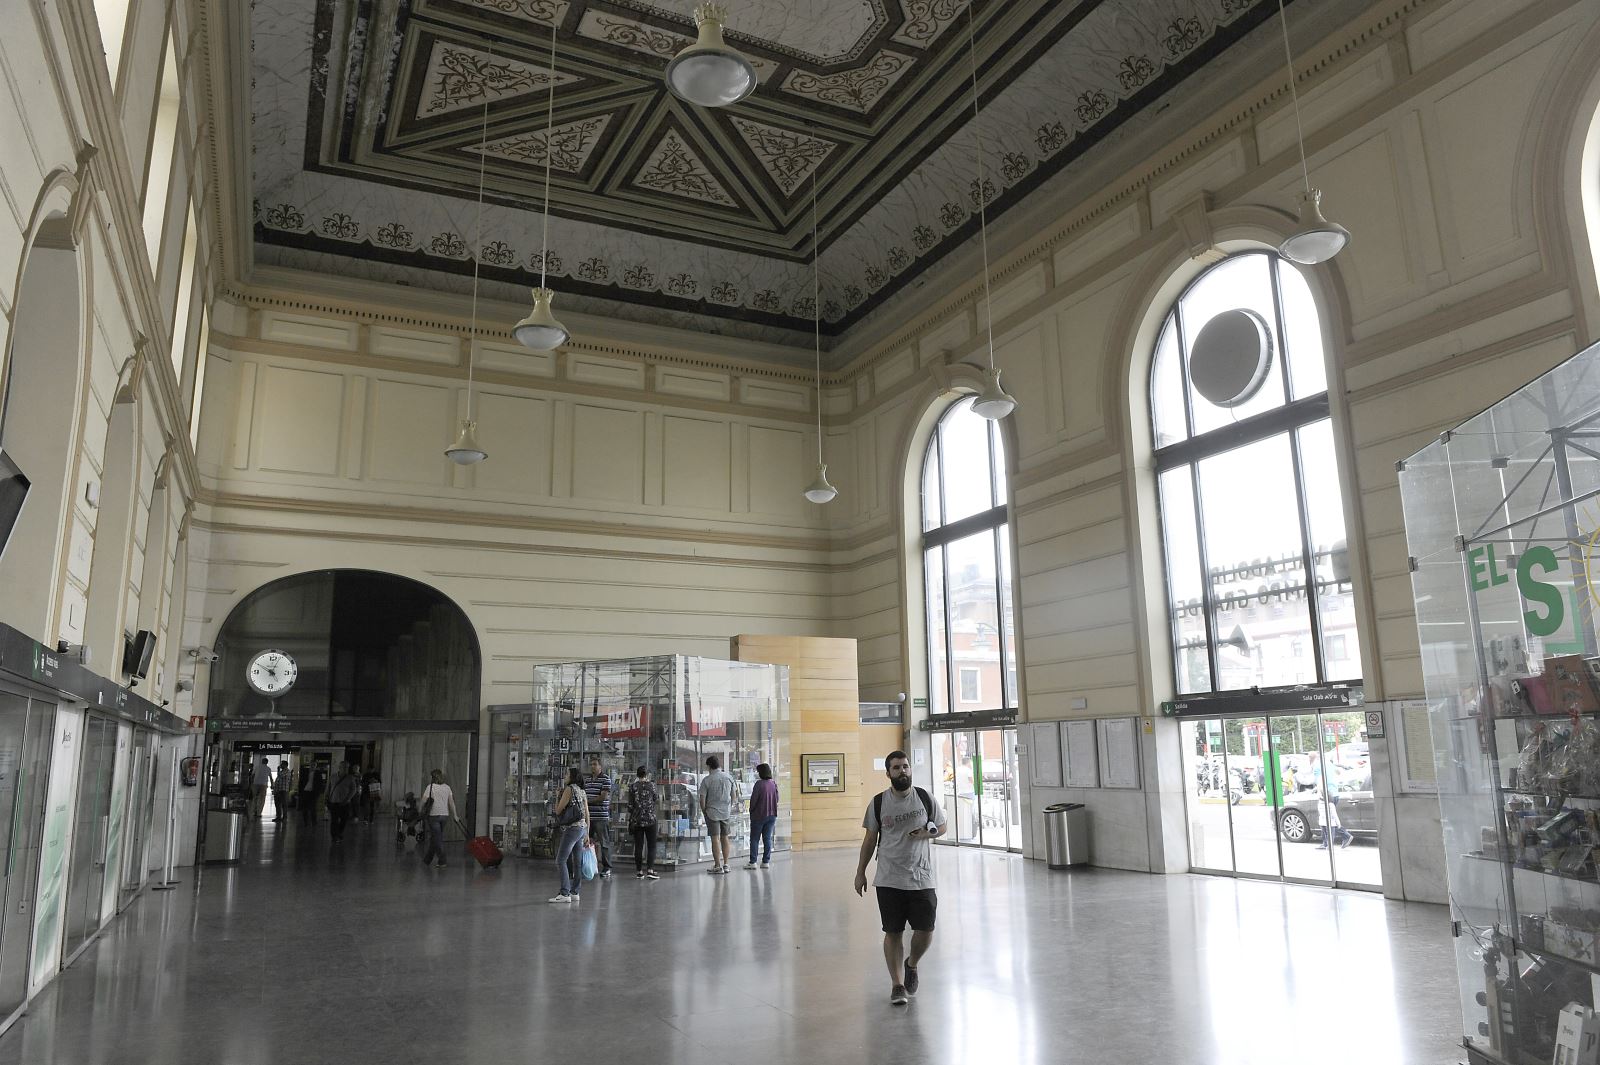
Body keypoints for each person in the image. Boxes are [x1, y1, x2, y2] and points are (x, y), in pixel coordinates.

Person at [854, 750, 947, 1006]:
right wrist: (860, 872)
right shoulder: (878, 803)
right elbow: (870, 840)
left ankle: (912, 964)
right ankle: (897, 985)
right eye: (896, 767)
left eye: (905, 766)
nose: (902, 771)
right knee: (893, 931)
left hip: (921, 876)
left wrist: (927, 834)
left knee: (926, 929)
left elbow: (942, 826)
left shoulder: (925, 797)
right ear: (888, 773)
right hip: (889, 878)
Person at [549, 767, 589, 904]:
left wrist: (557, 796)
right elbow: (587, 813)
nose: (565, 776)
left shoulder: (569, 789)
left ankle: (564, 892)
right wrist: (587, 832)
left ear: (572, 777)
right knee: (577, 862)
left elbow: (558, 810)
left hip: (572, 829)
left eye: (567, 774)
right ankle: (575, 892)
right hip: (582, 828)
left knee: (561, 860)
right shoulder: (582, 791)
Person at [698, 754, 738, 874]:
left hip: (712, 813)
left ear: (709, 766)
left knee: (715, 839)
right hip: (726, 812)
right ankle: (726, 864)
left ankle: (717, 865)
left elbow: (702, 799)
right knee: (725, 837)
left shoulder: (707, 780)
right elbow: (734, 796)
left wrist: (704, 811)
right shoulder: (729, 777)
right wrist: (729, 807)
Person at [582, 756, 615, 880]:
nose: (592, 766)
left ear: (600, 766)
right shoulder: (587, 780)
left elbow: (603, 797)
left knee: (604, 843)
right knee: (587, 841)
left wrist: (588, 802)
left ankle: (607, 867)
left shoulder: (605, 779)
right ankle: (588, 865)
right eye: (591, 764)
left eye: (595, 764)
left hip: (600, 816)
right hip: (588, 817)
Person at [418, 769, 458, 868]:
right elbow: (451, 802)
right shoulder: (447, 787)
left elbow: (423, 800)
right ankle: (427, 860)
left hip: (433, 815)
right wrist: (455, 815)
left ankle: (442, 860)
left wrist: (419, 810)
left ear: (433, 777)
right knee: (435, 837)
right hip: (444, 815)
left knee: (437, 838)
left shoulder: (430, 787)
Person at [628, 765, 660, 880]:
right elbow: (656, 799)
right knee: (652, 845)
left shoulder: (633, 787)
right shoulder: (652, 785)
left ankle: (639, 871)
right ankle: (650, 870)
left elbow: (630, 805)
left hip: (637, 820)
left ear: (637, 774)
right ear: (647, 775)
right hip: (650, 819)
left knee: (638, 846)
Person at [745, 762, 778, 869]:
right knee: (767, 838)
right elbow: (777, 798)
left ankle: (753, 862)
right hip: (772, 815)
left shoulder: (759, 784)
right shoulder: (773, 783)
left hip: (759, 815)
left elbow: (754, 800)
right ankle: (765, 862)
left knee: (755, 839)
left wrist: (751, 810)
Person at [326, 763, 362, 843]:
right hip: (334, 801)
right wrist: (327, 797)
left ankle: (339, 832)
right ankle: (334, 836)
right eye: (344, 767)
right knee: (334, 820)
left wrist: (348, 799)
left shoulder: (350, 778)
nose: (346, 769)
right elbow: (328, 787)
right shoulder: (333, 776)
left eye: (347, 767)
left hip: (345, 803)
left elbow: (353, 789)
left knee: (344, 819)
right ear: (339, 767)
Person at [298, 762, 325, 827]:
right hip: (305, 792)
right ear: (310, 765)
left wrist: (318, 793)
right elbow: (301, 782)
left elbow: (320, 783)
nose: (313, 766)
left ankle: (314, 822)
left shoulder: (318, 773)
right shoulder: (305, 772)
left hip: (313, 793)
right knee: (304, 808)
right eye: (312, 765)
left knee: (313, 808)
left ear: (316, 766)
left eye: (314, 765)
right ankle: (306, 822)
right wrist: (300, 792)